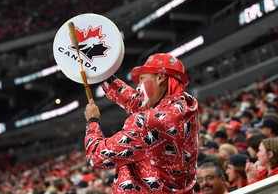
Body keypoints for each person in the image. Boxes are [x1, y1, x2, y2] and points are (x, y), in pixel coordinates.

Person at [84, 53, 199, 193]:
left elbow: (96, 157)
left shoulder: (146, 122)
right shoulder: (187, 106)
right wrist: (103, 75)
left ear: (160, 77)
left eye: (142, 78)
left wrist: (92, 121)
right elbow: (136, 102)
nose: (138, 86)